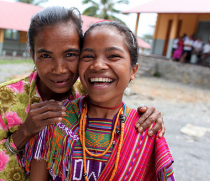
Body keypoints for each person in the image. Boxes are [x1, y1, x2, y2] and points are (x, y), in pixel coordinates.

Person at [0, 7, 166, 180]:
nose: (59, 69)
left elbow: (117, 113)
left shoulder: (89, 89)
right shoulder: (8, 97)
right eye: (45, 56)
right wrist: (25, 131)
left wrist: (148, 117)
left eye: (70, 55)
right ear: (33, 55)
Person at [25, 21, 174, 181]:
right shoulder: (54, 120)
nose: (98, 65)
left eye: (113, 56)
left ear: (133, 70)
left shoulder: (146, 131)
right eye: (88, 56)